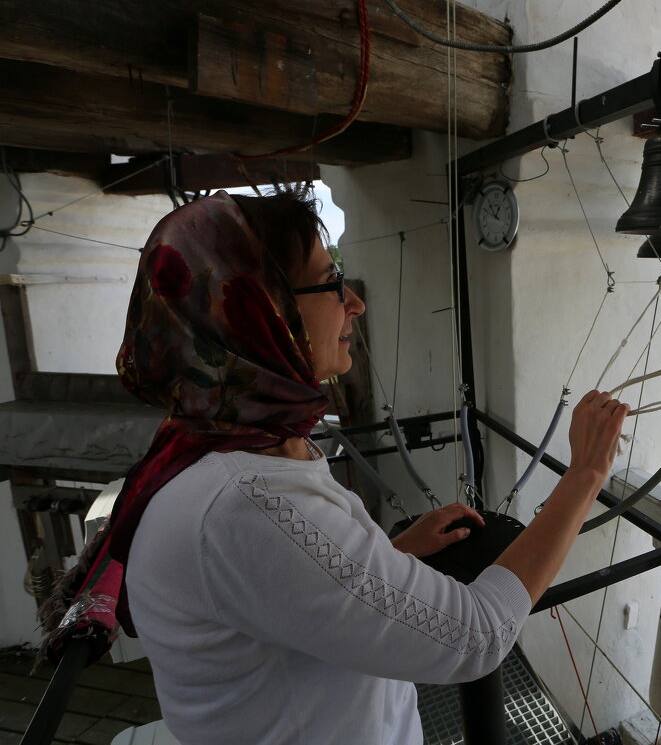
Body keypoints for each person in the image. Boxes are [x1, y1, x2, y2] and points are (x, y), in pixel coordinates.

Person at [39, 189, 628, 744]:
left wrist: (385, 559)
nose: (355, 303)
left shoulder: (225, 443)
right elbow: (475, 636)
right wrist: (583, 476)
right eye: (329, 284)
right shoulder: (247, 499)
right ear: (255, 311)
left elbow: (280, 592)